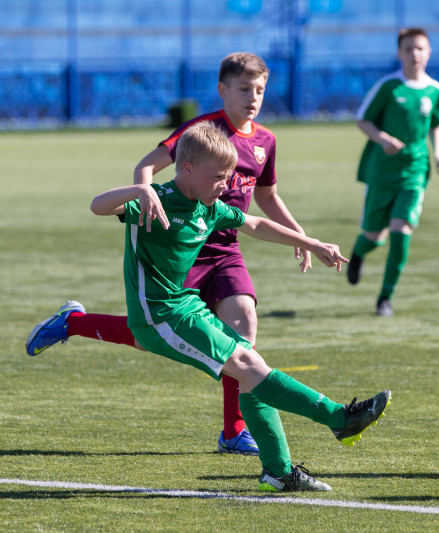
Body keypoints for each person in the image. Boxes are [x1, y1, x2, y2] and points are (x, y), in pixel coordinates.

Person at [26, 52, 310, 456]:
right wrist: (146, 197)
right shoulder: (202, 131)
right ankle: (75, 322)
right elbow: (148, 166)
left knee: (243, 326)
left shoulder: (266, 140)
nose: (253, 97)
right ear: (222, 90)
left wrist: (299, 235)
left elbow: (266, 197)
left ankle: (234, 430)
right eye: (244, 88)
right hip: (183, 246)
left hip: (225, 248)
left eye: (260, 90)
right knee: (148, 337)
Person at [87, 120, 391, 491]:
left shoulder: (209, 207)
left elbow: (256, 224)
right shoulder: (157, 200)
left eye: (230, 176)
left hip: (186, 307)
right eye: (219, 176)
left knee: (251, 367)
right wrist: (140, 188)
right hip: (158, 318)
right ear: (188, 169)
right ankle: (339, 418)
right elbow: (97, 206)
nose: (227, 184)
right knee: (248, 365)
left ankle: (278, 472)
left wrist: (311, 243)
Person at [346, 27, 439, 317]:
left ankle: (385, 298)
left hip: (416, 171)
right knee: (374, 236)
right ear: (399, 53)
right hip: (382, 172)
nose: (414, 54)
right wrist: (383, 139)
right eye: (408, 49)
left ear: (428, 53)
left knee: (401, 231)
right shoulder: (389, 86)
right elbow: (363, 120)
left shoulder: (436, 90)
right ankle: (358, 253)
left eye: (420, 49)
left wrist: (438, 153)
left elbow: (436, 123)